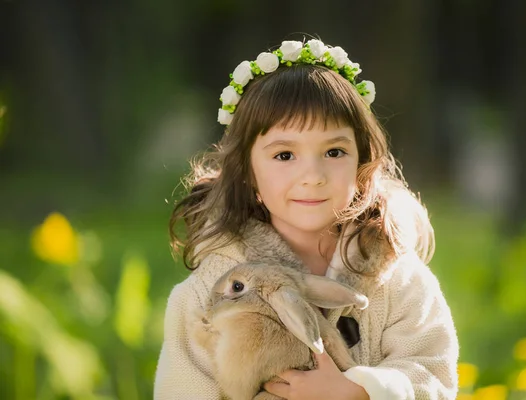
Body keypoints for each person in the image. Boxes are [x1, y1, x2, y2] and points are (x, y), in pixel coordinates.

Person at [154, 38, 459, 399]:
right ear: (248, 173)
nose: (312, 175)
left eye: (334, 151)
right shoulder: (210, 290)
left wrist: (358, 393)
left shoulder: (396, 277)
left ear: (361, 162)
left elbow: (433, 374)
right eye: (284, 155)